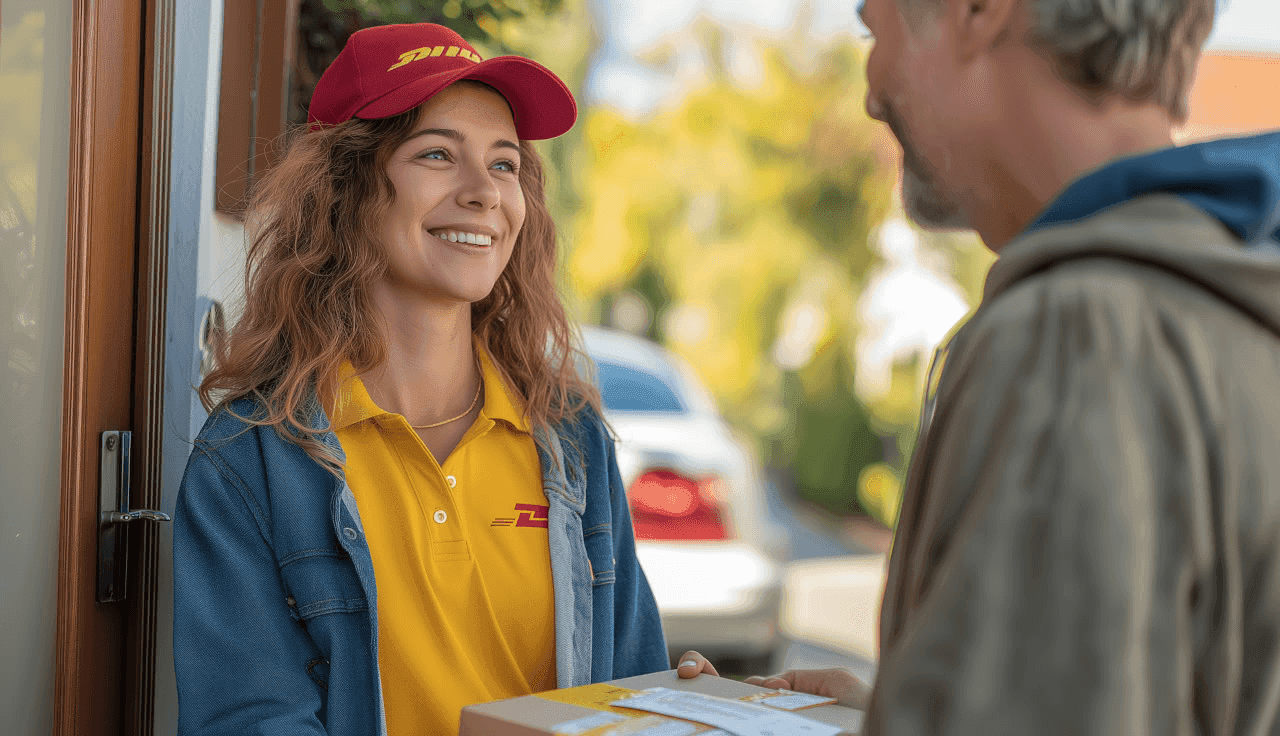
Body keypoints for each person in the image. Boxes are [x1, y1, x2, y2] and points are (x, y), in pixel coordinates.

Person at [681, 0, 1280, 732]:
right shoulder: (1225, 302)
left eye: (876, 29)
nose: (872, 90)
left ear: (978, 12)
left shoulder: (1073, 338)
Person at [172, 23, 668, 735]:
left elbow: (630, 689)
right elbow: (252, 720)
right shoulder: (249, 464)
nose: (484, 194)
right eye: (438, 154)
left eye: (504, 165)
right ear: (344, 192)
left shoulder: (571, 441)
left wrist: (678, 708)